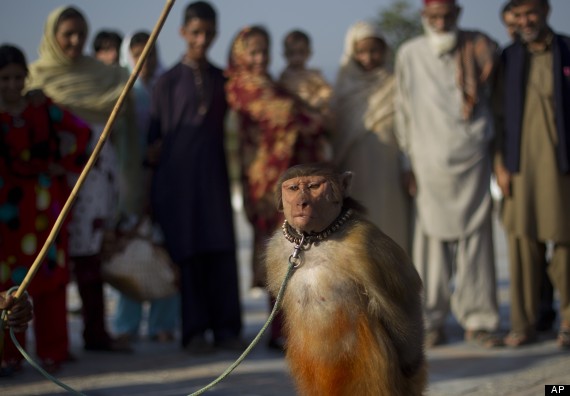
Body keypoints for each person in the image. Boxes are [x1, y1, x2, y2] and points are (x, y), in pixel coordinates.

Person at [26, 6, 137, 353]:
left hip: (96, 175)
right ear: (52, 37)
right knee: (49, 258)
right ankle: (46, 342)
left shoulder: (106, 76)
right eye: (67, 34)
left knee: (90, 256)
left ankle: (95, 333)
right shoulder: (33, 79)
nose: (75, 41)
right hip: (49, 181)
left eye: (80, 34)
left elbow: (125, 107)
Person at [394, 0, 503, 348]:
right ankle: (429, 321)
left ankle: (480, 320)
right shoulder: (410, 53)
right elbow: (403, 110)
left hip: (472, 157)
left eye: (447, 16)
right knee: (430, 248)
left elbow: (494, 97)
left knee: (477, 243)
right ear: (424, 18)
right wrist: (406, 162)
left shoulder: (478, 46)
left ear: (457, 15)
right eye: (434, 17)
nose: (441, 22)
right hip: (427, 161)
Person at [147, 1, 243, 353]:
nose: (202, 40)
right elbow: (154, 140)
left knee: (220, 248)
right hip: (179, 181)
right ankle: (195, 330)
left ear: (216, 33)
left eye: (208, 33)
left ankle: (227, 329)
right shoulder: (167, 82)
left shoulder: (224, 79)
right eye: (195, 32)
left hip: (215, 178)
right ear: (182, 33)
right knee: (189, 252)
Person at [226, 25, 327, 349]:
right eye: (253, 52)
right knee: (279, 256)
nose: (260, 59)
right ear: (241, 53)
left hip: (289, 183)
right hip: (267, 190)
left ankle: (301, 328)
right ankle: (279, 331)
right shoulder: (241, 87)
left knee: (302, 254)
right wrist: (312, 117)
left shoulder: (274, 85)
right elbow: (287, 118)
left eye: (264, 52)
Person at [0, 44, 90, 373]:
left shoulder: (42, 108)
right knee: (8, 286)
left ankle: (54, 351)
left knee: (50, 279)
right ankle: (7, 353)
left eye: (16, 77)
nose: (11, 85)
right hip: (6, 215)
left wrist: (64, 165)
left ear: (26, 76)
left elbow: (82, 132)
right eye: (3, 79)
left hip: (42, 209)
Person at [493, 0, 570, 348]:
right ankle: (523, 324)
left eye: (531, 13)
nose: (525, 21)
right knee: (522, 243)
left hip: (563, 165)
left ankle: (568, 318)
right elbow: (495, 116)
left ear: (545, 12)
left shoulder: (566, 50)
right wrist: (499, 164)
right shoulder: (507, 58)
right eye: (519, 16)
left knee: (566, 242)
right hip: (519, 166)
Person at [112, 31, 179, 344]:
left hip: (166, 180)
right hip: (131, 181)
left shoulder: (168, 88)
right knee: (133, 249)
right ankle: (127, 324)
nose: (146, 61)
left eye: (151, 54)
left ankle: (162, 323)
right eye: (139, 55)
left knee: (164, 251)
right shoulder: (122, 91)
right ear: (129, 56)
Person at [331, 20, 412, 253]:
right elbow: (335, 132)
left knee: (391, 230)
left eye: (374, 51)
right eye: (361, 51)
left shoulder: (395, 82)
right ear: (352, 52)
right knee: (359, 236)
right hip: (354, 173)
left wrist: (408, 166)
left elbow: (407, 126)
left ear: (384, 50)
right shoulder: (342, 87)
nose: (368, 58)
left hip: (390, 172)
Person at [278, 29, 332, 119]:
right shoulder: (283, 78)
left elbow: (326, 91)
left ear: (309, 53)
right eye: (292, 53)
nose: (297, 57)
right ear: (285, 54)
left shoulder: (314, 75)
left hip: (314, 113)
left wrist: (317, 101)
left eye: (301, 52)